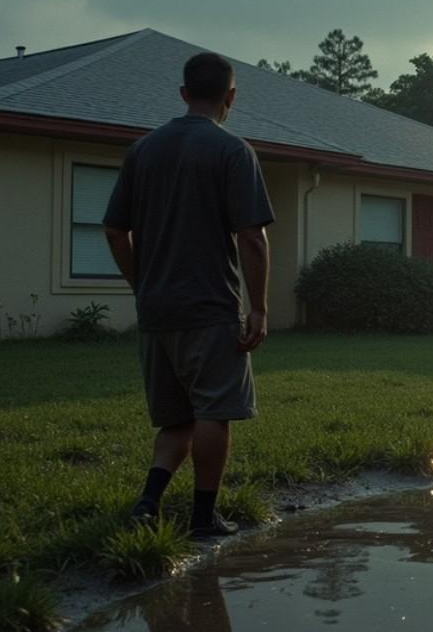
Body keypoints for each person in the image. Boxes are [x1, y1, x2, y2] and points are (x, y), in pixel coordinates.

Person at [102, 52, 274, 539]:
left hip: (155, 312)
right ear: (231, 97)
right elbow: (252, 238)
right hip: (208, 308)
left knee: (174, 418)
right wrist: (258, 307)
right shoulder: (233, 151)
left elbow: (116, 232)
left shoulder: (142, 150)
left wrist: (144, 286)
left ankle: (149, 502)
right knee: (213, 412)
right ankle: (203, 517)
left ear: (183, 94)